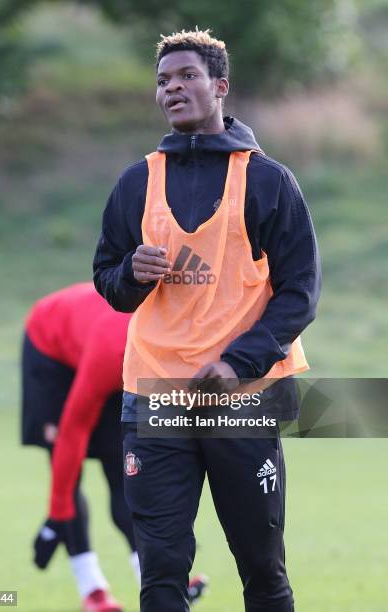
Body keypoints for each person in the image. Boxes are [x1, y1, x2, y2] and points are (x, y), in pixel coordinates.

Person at [93, 28, 321, 612]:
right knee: (161, 571)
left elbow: (300, 293)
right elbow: (109, 286)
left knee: (262, 569)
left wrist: (237, 364)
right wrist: (131, 274)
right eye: (164, 80)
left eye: (188, 76)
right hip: (154, 394)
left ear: (220, 86)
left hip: (241, 397)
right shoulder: (135, 182)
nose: (173, 88)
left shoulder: (270, 181)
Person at [21, 283, 208, 612]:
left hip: (112, 354)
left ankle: (153, 577)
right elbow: (72, 434)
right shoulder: (109, 353)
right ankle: (92, 589)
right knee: (68, 464)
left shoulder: (174, 346)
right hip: (50, 348)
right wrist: (56, 516)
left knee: (124, 467)